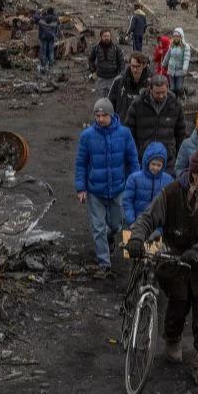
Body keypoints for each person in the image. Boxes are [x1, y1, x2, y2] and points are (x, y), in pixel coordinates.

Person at [126, 147, 198, 386]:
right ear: (194, 173)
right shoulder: (171, 193)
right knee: (177, 306)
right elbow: (148, 217)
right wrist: (136, 238)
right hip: (175, 262)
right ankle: (172, 340)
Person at [75, 98, 139, 270]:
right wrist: (81, 188)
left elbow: (133, 160)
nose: (100, 119)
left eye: (104, 115)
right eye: (97, 115)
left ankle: (109, 236)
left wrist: (134, 184)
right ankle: (104, 263)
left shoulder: (124, 134)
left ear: (112, 115)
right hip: (95, 190)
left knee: (117, 225)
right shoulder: (87, 136)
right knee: (98, 228)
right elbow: (81, 163)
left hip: (118, 189)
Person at [125, 74, 187, 161]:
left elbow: (181, 133)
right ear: (150, 90)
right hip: (143, 158)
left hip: (168, 159)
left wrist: (178, 156)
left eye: (163, 92)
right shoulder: (137, 104)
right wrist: (135, 151)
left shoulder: (175, 105)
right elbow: (129, 130)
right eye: (157, 93)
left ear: (168, 89)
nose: (161, 96)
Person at [122, 141, 174, 228]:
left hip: (158, 226)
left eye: (159, 165)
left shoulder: (168, 180)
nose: (156, 168)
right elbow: (127, 201)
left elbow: (170, 205)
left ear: (163, 165)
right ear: (147, 161)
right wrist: (131, 221)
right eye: (153, 164)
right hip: (137, 224)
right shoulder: (134, 178)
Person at [109, 52, 151, 119]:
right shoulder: (119, 81)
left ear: (144, 65)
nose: (135, 69)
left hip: (142, 124)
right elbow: (110, 103)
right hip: (122, 122)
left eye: (138, 66)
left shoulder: (151, 83)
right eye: (133, 66)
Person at [88, 29, 125, 98]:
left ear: (110, 37)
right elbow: (90, 60)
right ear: (101, 37)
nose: (106, 38)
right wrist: (93, 71)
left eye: (108, 36)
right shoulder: (96, 48)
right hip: (100, 78)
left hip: (113, 79)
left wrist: (121, 75)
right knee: (101, 101)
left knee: (112, 100)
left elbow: (121, 62)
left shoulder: (116, 48)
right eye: (104, 36)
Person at [162, 28, 192, 97]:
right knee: (172, 88)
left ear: (181, 36)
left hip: (180, 70)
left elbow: (186, 59)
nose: (176, 38)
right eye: (174, 36)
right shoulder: (171, 45)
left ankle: (184, 92)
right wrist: (164, 64)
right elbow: (167, 55)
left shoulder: (185, 47)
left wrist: (185, 69)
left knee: (178, 87)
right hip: (171, 70)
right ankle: (173, 100)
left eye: (177, 36)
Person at [36, 7, 60, 75]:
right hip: (51, 37)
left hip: (43, 37)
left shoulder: (42, 18)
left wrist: (39, 12)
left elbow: (35, 17)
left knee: (43, 52)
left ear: (47, 12)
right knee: (51, 52)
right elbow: (58, 24)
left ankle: (43, 67)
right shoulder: (55, 19)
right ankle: (51, 66)